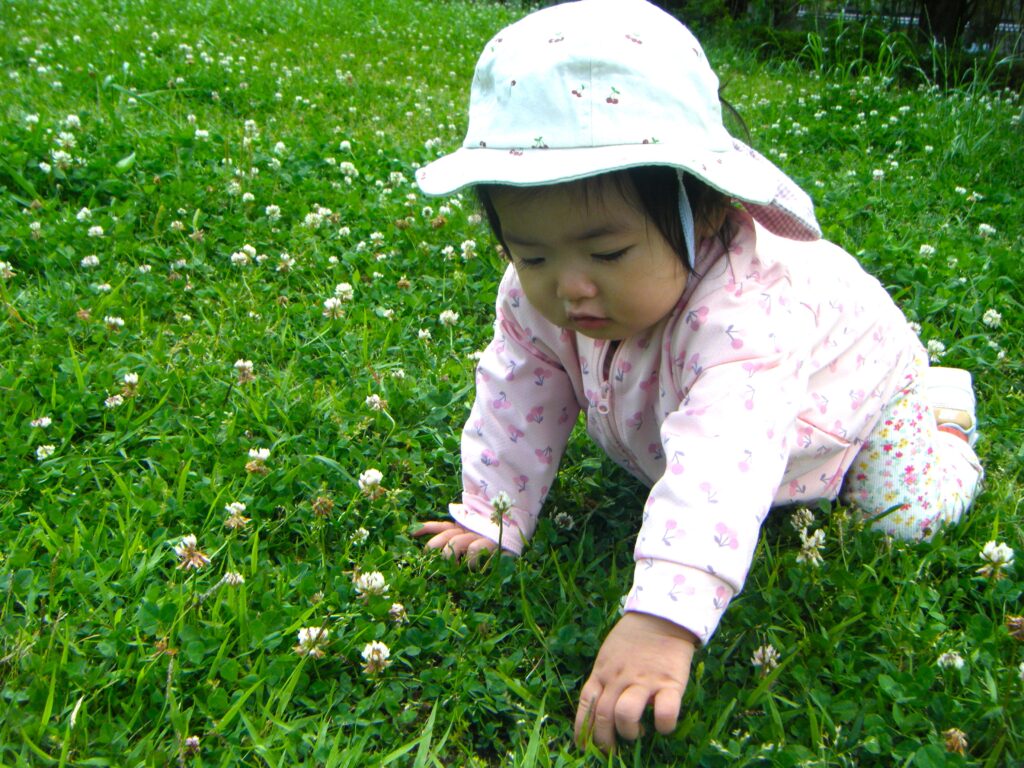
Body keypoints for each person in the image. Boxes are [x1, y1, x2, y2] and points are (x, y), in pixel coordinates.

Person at [412, 0, 983, 752]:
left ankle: (942, 414)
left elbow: (725, 451)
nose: (569, 288)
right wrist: (493, 511)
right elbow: (519, 388)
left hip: (853, 397)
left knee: (904, 520)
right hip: (724, 411)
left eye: (607, 254)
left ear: (706, 210)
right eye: (532, 253)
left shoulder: (748, 312)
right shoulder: (538, 296)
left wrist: (662, 619)